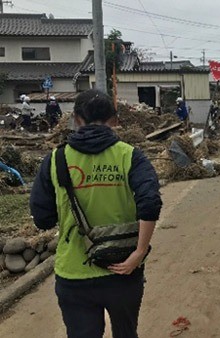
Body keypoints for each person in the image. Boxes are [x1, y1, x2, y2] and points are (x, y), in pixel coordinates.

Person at [29, 89, 162, 338]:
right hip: (123, 269)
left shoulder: (56, 159)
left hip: (74, 272)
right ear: (114, 119)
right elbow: (150, 202)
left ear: (77, 119)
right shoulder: (130, 156)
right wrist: (139, 252)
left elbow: (42, 218)